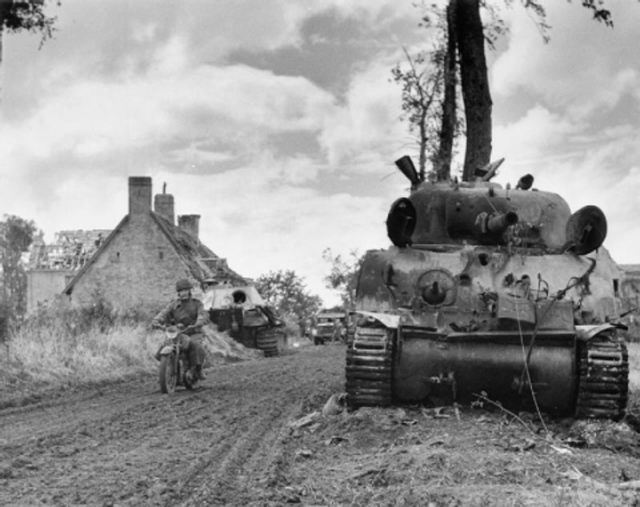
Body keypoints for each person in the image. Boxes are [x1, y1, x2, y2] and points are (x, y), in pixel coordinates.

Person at [152, 278, 208, 380]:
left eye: (186, 290)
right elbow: (164, 313)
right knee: (166, 344)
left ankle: (198, 370)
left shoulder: (197, 304)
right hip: (178, 332)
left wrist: (198, 323)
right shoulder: (173, 304)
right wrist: (157, 321)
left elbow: (202, 315)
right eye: (181, 291)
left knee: (195, 345)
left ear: (190, 291)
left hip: (194, 331)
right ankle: (165, 370)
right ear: (178, 292)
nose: (183, 293)